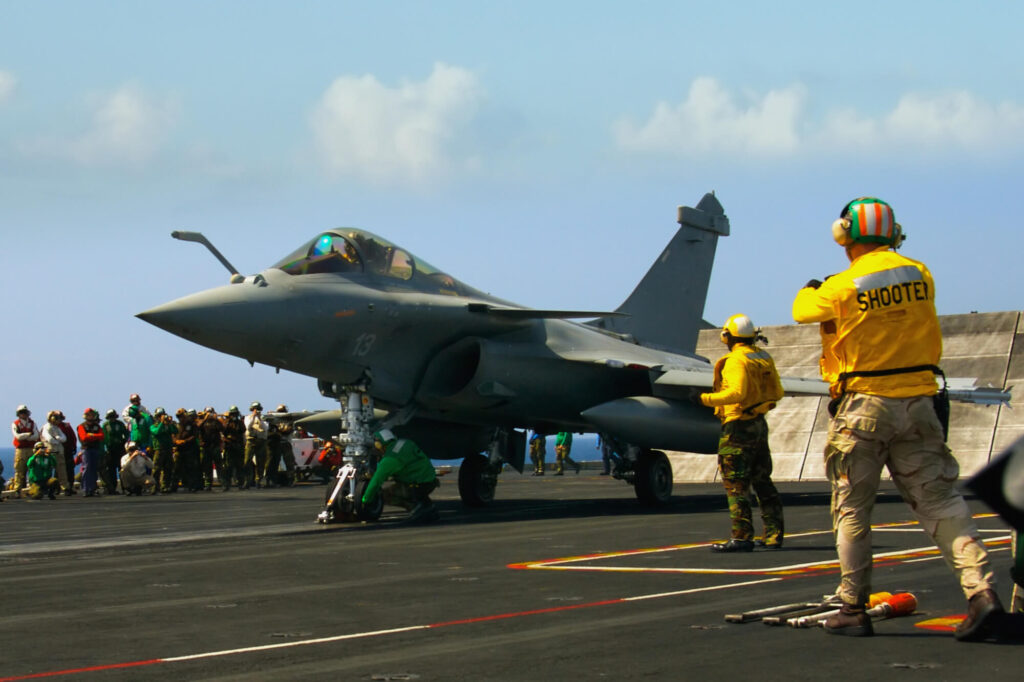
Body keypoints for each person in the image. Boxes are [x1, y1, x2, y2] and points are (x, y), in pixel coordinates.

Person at [792, 196, 1001, 640]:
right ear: (892, 233)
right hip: (920, 404)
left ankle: (852, 607)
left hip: (864, 405)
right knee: (942, 503)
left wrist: (814, 286)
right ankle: (982, 594)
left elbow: (802, 310)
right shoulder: (920, 272)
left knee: (852, 509)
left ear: (844, 235)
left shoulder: (841, 286)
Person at [699, 314, 785, 553]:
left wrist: (704, 399)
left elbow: (735, 393)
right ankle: (774, 535)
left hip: (737, 426)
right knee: (762, 481)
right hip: (758, 423)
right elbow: (777, 391)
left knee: (736, 483)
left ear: (727, 336)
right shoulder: (762, 357)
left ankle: (742, 537)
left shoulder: (736, 360)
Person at [361, 430, 440, 523]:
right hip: (429, 480)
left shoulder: (390, 459)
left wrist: (365, 500)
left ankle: (417, 508)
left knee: (384, 495)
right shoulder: (404, 442)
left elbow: (376, 481)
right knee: (409, 486)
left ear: (379, 444)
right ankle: (428, 507)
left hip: (417, 485)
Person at [11, 405, 40, 497]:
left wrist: (25, 436)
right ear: (18, 414)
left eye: (25, 412)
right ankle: (17, 489)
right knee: (19, 470)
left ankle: (32, 488)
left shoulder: (32, 423)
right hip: (20, 450)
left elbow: (36, 436)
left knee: (32, 470)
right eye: (22, 412)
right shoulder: (15, 423)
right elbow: (18, 437)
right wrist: (28, 434)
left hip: (31, 449)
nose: (24, 414)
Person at [40, 410, 71, 494]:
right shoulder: (46, 427)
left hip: (59, 452)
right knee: (47, 471)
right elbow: (48, 438)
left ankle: (64, 487)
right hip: (50, 452)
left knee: (62, 471)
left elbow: (64, 438)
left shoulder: (57, 428)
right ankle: (47, 487)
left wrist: (58, 438)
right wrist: (58, 440)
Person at [77, 408, 105, 497]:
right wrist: (95, 436)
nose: (91, 416)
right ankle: (86, 489)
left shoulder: (97, 426)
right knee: (87, 468)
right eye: (89, 414)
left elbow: (102, 436)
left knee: (94, 468)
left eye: (92, 414)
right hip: (86, 449)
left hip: (95, 449)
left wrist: (91, 435)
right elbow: (84, 437)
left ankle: (92, 488)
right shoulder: (81, 426)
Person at [172, 408, 202, 492]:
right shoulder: (177, 425)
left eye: (182, 416)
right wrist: (176, 441)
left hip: (190, 449)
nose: (180, 418)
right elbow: (172, 434)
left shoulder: (192, 425)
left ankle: (192, 486)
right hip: (179, 449)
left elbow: (195, 435)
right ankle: (174, 486)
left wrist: (185, 441)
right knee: (177, 468)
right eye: (178, 417)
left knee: (191, 468)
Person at [149, 407, 177, 493]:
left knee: (168, 469)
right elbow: (157, 432)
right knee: (156, 469)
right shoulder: (153, 426)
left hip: (168, 449)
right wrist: (161, 422)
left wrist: (170, 423)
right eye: (159, 416)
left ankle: (165, 486)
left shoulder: (168, 426)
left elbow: (175, 431)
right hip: (159, 450)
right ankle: (154, 487)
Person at [197, 407, 224, 491]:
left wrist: (216, 419)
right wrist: (205, 418)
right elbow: (198, 427)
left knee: (219, 465)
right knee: (207, 466)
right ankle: (208, 484)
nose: (209, 414)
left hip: (215, 446)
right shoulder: (202, 421)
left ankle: (223, 482)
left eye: (210, 412)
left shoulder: (216, 422)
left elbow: (222, 429)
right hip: (206, 446)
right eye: (208, 413)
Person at [102, 409, 129, 494]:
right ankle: (112, 488)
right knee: (111, 470)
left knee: (122, 469)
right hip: (110, 450)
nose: (112, 418)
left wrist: (124, 442)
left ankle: (125, 487)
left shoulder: (120, 424)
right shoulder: (105, 425)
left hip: (120, 449)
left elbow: (126, 433)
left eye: (113, 416)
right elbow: (103, 437)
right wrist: (105, 448)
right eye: (110, 417)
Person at [220, 406, 246, 490]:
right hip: (229, 447)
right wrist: (228, 422)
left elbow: (243, 430)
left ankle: (240, 484)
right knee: (228, 467)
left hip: (238, 447)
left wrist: (238, 421)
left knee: (240, 467)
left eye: (235, 414)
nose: (234, 415)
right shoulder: (227, 423)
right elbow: (223, 432)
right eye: (232, 414)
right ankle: (227, 484)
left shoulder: (240, 423)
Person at [244, 402, 268, 487]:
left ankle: (259, 480)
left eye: (257, 409)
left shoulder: (264, 419)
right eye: (255, 409)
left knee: (261, 462)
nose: (256, 410)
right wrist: (253, 416)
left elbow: (265, 428)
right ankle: (248, 480)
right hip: (251, 441)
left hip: (261, 441)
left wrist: (259, 419)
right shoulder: (247, 418)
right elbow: (248, 426)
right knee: (247, 461)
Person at [56, 411, 77, 491]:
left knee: (69, 469)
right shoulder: (52, 427)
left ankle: (69, 486)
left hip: (68, 450)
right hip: (57, 451)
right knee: (58, 469)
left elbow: (73, 437)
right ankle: (57, 487)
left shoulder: (67, 426)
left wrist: (74, 447)